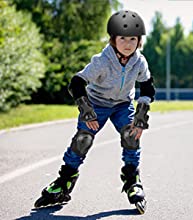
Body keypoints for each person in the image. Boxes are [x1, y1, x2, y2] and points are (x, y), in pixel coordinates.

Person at [34, 10, 155, 214]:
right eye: (122, 38)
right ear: (113, 39)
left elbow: (148, 86)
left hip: (122, 105)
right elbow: (77, 82)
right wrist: (86, 107)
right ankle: (65, 179)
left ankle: (132, 177)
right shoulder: (102, 60)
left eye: (133, 39)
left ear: (139, 41)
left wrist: (142, 112)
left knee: (131, 134)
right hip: (96, 104)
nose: (128, 43)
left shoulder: (139, 62)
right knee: (83, 139)